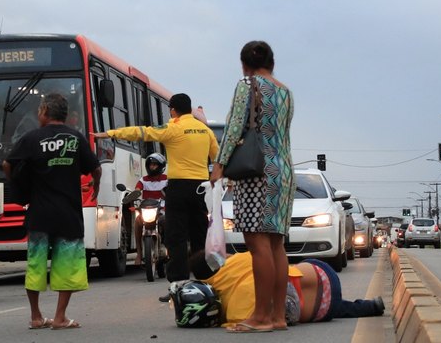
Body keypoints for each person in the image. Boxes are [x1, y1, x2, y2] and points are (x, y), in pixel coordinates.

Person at [94, 92, 219, 301]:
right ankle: (206, 281)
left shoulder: (172, 128)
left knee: (176, 236)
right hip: (201, 188)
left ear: (172, 109)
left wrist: (109, 133)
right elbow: (218, 157)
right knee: (199, 235)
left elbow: (141, 132)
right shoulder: (205, 131)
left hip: (178, 188)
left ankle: (178, 285)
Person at [210, 40, 295, 332]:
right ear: (272, 62)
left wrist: (219, 165)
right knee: (276, 244)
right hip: (282, 171)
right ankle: (278, 316)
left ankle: (260, 316)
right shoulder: (286, 92)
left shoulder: (248, 86)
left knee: (257, 244)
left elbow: (235, 126)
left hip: (256, 173)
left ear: (244, 65)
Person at [2, 93, 102, 331]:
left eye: (39, 110)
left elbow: (8, 164)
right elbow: (96, 169)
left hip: (39, 213)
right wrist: (95, 189)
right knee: (67, 266)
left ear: (45, 111)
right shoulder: (76, 138)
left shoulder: (31, 138)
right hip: (68, 214)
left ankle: (36, 316)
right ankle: (59, 317)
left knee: (35, 265)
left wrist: (20, 185)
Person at [186, 251, 384, 330]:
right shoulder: (243, 258)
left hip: (323, 310)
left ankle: (366, 307)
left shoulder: (232, 309)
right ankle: (365, 306)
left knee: (331, 306)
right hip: (321, 271)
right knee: (291, 271)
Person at [133, 152, 168, 266]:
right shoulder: (143, 180)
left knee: (167, 222)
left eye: (155, 165)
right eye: (150, 165)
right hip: (147, 210)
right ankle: (139, 253)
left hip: (161, 211)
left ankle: (167, 247)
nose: (152, 167)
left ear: (161, 166)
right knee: (137, 222)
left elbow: (172, 191)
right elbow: (138, 189)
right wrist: (136, 192)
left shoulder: (167, 179)